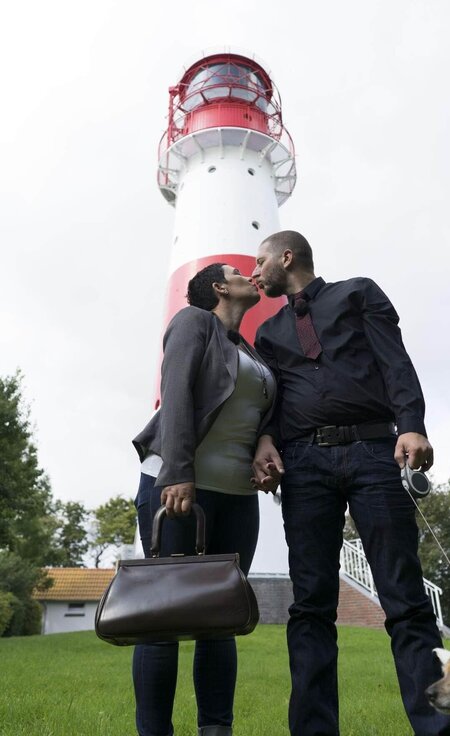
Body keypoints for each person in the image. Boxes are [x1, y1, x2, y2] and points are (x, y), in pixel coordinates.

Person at [251, 230, 450, 736]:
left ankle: (435, 727)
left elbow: (395, 361)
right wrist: (265, 440)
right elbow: (272, 401)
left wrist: (411, 424)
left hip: (374, 452)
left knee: (404, 598)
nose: (253, 273)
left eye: (259, 262)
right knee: (310, 606)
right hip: (304, 465)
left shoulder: (359, 293)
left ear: (286, 257)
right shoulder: (268, 333)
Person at [132, 263, 276, 736]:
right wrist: (178, 472)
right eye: (237, 271)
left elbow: (262, 414)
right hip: (177, 487)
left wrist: (266, 443)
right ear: (218, 287)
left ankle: (216, 731)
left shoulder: (249, 349)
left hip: (238, 495)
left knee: (220, 618)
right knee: (162, 618)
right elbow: (174, 394)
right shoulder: (193, 322)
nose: (250, 274)